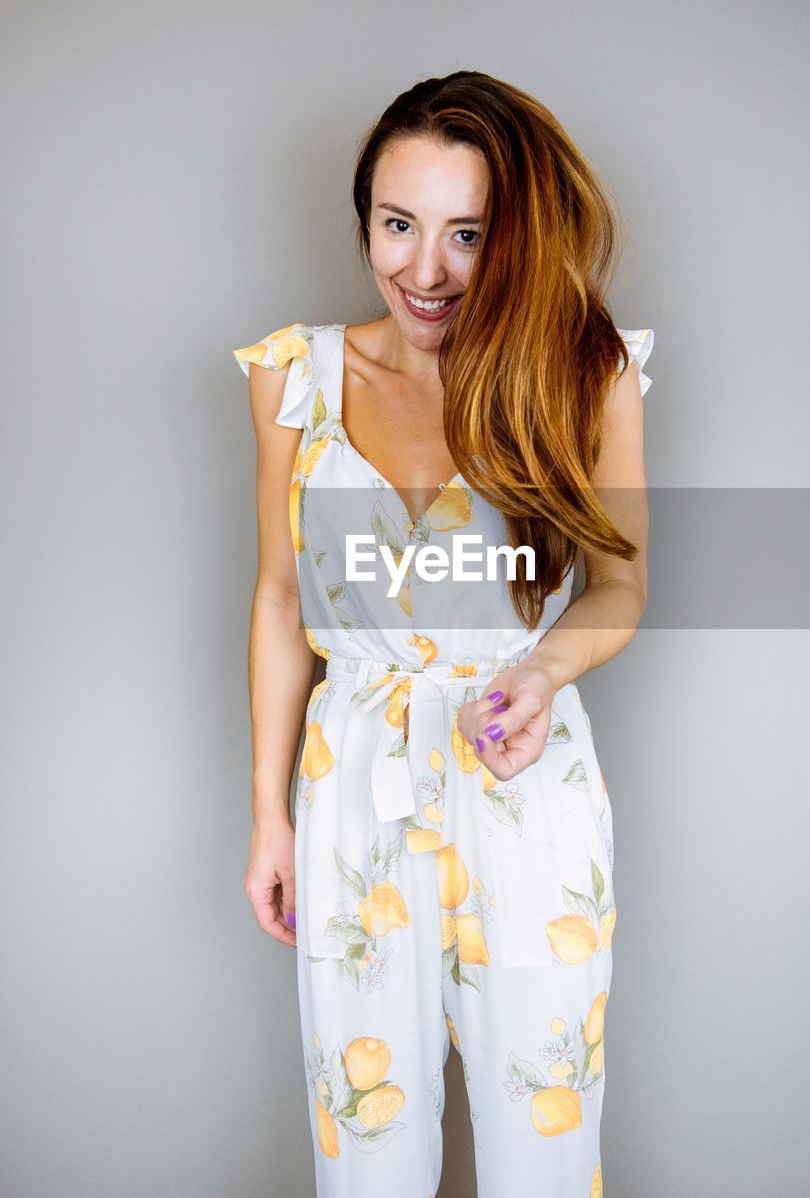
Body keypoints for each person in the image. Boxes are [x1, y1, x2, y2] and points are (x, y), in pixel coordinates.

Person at [233, 70, 653, 1198]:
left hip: (522, 769)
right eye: (397, 224)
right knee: (365, 1138)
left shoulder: (585, 372)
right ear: (364, 218)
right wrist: (269, 814)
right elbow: (281, 599)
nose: (425, 269)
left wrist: (546, 665)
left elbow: (618, 582)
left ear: (515, 235)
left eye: (467, 233)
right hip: (353, 779)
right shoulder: (295, 379)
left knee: (546, 1134)